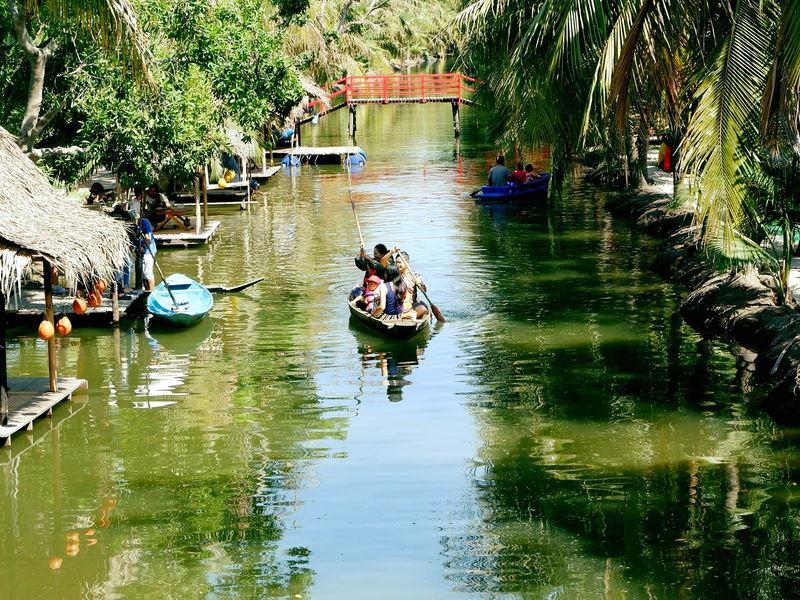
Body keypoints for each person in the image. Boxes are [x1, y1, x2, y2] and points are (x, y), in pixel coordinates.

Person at [394, 251, 429, 320]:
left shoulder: (414, 274)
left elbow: (424, 290)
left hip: (412, 302)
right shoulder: (395, 273)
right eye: (396, 262)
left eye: (399, 262)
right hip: (398, 303)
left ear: (406, 263)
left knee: (424, 310)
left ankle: (412, 317)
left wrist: (420, 284)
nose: (397, 264)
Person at [138, 214, 157, 291]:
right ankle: (147, 290)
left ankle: (151, 291)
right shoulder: (136, 224)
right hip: (142, 250)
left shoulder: (144, 222)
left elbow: (148, 239)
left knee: (147, 272)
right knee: (143, 273)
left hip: (148, 251)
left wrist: (143, 247)